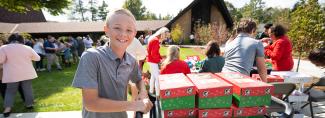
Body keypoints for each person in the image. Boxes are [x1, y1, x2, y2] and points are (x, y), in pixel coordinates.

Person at [72, 8, 152, 118]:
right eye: (117, 28)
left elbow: (138, 78)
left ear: (134, 34)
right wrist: (134, 105)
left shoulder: (131, 60)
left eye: (129, 30)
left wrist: (143, 91)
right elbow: (91, 103)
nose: (123, 34)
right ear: (106, 30)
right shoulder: (91, 57)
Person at [0, 34, 40, 117]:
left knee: (10, 91)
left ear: (10, 39)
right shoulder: (27, 48)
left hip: (12, 73)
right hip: (26, 73)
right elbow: (37, 58)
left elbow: (1, 60)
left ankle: (7, 108)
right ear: (22, 40)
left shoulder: (4, 48)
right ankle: (29, 104)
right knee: (27, 88)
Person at [147, 27, 169, 95]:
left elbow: (155, 53)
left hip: (151, 60)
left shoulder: (153, 39)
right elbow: (154, 54)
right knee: (157, 78)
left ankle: (151, 91)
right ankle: (158, 95)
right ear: (162, 34)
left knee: (153, 77)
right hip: (153, 61)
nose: (165, 38)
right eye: (165, 36)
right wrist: (160, 60)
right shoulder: (155, 40)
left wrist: (160, 58)